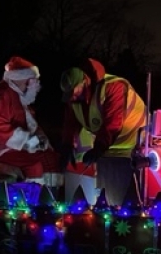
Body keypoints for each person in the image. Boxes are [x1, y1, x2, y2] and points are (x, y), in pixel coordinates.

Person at [59, 57, 147, 207]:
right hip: (107, 148)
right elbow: (70, 123)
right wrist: (67, 145)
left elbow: (113, 122)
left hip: (130, 146)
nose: (72, 98)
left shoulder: (114, 87)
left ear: (84, 82)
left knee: (126, 198)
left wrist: (99, 147)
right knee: (107, 196)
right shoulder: (75, 98)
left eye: (73, 92)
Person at [0, 56, 60, 184]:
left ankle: (50, 195)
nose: (36, 84)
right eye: (33, 80)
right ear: (22, 79)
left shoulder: (19, 95)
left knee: (51, 158)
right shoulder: (1, 94)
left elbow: (30, 124)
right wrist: (26, 140)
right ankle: (34, 197)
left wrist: (40, 140)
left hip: (14, 146)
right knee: (36, 164)